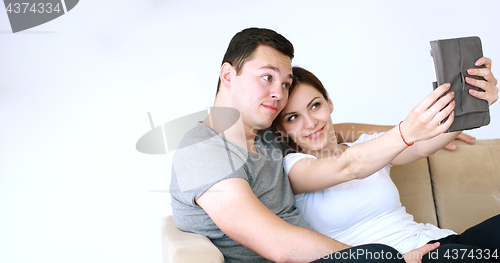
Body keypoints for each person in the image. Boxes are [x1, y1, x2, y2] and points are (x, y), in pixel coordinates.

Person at [169, 27, 488, 263]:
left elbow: (339, 132)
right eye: (267, 77)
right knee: (379, 253)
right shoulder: (201, 153)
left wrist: (442, 123)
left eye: (284, 83)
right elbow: (280, 245)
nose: (278, 93)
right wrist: (391, 261)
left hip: (381, 251)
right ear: (228, 74)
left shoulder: (268, 135)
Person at [272, 66, 499, 261]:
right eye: (293, 117)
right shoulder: (294, 167)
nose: (310, 123)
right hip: (403, 258)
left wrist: (477, 104)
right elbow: (347, 167)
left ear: (329, 102)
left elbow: (421, 146)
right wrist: (406, 130)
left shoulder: (368, 146)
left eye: (314, 106)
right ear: (281, 129)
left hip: (438, 243)